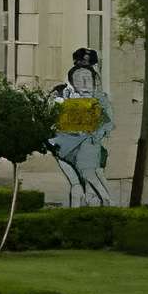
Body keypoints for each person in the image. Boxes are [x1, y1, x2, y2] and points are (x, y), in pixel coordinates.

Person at [48, 47, 114, 207]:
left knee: (92, 177)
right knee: (78, 184)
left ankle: (104, 206)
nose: (84, 70)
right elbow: (51, 118)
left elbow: (108, 123)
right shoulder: (61, 92)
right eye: (82, 64)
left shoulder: (100, 98)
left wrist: (96, 135)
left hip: (88, 146)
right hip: (66, 146)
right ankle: (86, 210)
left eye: (89, 65)